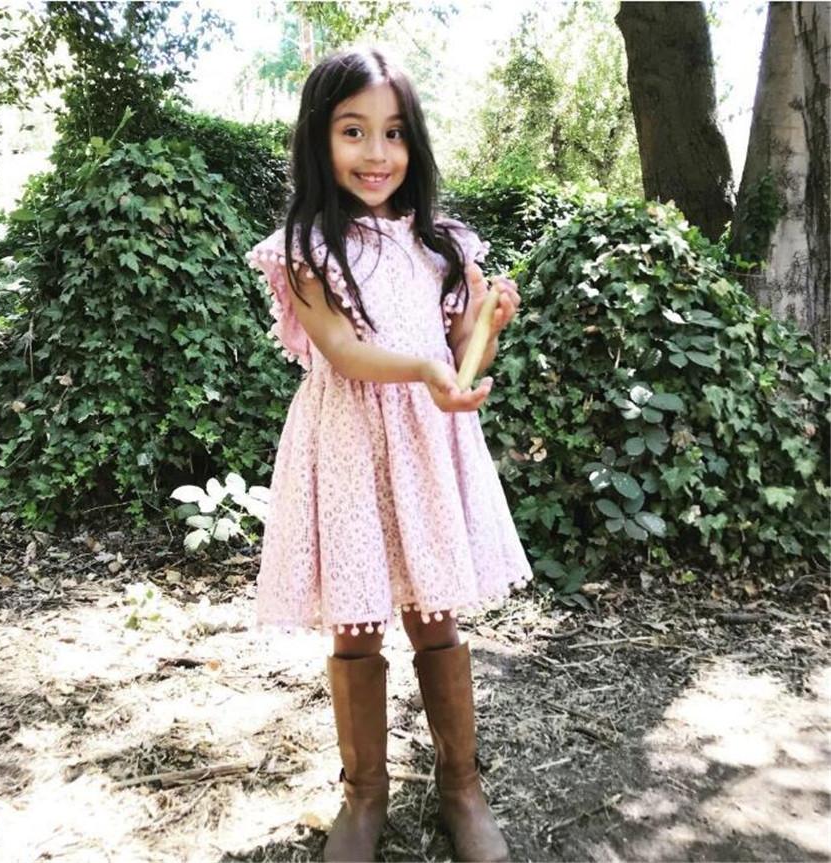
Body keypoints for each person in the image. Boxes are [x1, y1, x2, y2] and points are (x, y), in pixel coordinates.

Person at [246, 46, 533, 863]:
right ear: (318, 138)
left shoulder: (440, 245)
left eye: (395, 132)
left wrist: (485, 327)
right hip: (347, 448)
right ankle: (364, 794)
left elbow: (460, 351)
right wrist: (426, 371)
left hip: (424, 445)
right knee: (356, 624)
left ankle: (461, 786)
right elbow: (343, 351)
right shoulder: (306, 247)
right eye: (353, 131)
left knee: (435, 614)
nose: (377, 153)